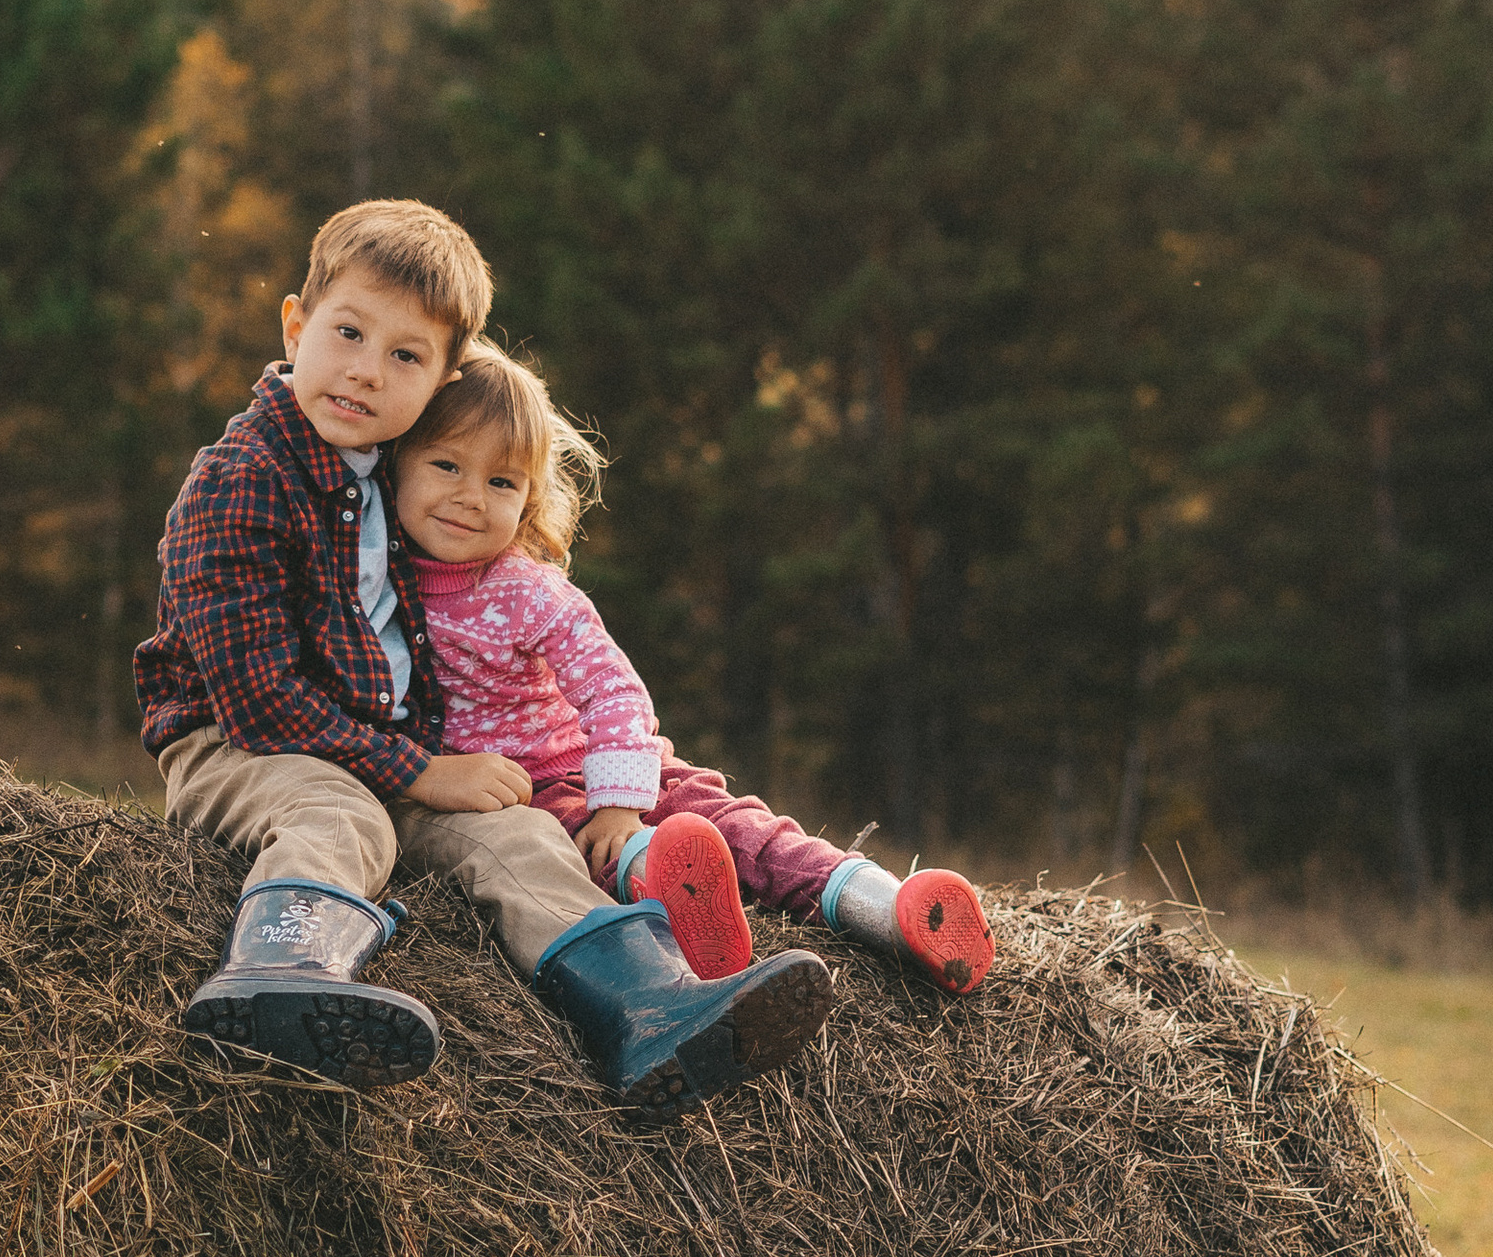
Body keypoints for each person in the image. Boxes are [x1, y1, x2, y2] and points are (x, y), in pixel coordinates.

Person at [134, 198, 834, 1116]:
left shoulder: (390, 475)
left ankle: (646, 1009)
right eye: (347, 333)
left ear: (439, 381)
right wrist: (423, 771)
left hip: (377, 754)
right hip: (238, 746)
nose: (366, 370)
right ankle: (278, 970)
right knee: (342, 815)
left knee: (522, 833)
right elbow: (261, 701)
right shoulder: (241, 482)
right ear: (295, 327)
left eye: (406, 356)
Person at [391, 340, 995, 997]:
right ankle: (681, 899)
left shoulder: (529, 592)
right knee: (579, 847)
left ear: (530, 498)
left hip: (612, 767)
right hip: (521, 794)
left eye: (502, 482)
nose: (471, 497)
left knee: (742, 828)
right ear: (396, 463)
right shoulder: (369, 585)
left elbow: (613, 692)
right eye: (447, 465)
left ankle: (889, 908)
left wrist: (619, 802)